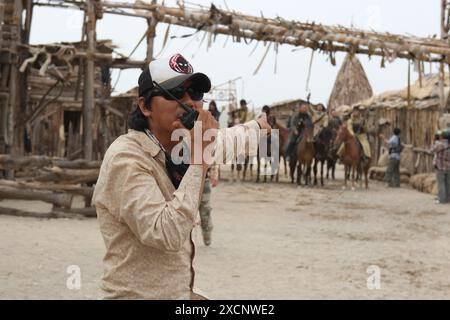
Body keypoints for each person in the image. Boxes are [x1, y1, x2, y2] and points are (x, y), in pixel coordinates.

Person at [92, 53, 270, 299]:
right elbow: (166, 233)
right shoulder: (126, 158)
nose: (190, 103)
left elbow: (224, 142)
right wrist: (200, 160)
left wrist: (257, 127)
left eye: (195, 93)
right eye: (176, 93)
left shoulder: (182, 144)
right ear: (145, 106)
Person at [430, 130, 450, 204]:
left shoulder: (440, 145)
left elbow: (431, 150)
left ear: (442, 136)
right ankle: (448, 198)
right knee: (448, 183)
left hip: (440, 166)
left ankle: (442, 199)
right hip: (448, 167)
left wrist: (434, 142)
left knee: (441, 183)